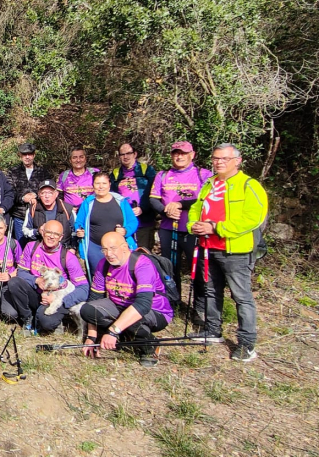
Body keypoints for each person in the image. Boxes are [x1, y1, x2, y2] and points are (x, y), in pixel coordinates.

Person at [187, 144, 268, 362]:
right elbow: (196, 207)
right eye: (215, 158)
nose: (219, 162)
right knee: (211, 290)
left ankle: (247, 343)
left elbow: (253, 218)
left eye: (224, 158)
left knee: (242, 297)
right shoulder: (210, 183)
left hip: (236, 250)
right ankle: (213, 331)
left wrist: (216, 227)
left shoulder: (248, 185)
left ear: (237, 160)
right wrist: (194, 224)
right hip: (208, 247)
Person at [79, 231, 173, 367]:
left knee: (132, 321)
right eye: (104, 249)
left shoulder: (142, 265)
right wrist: (92, 337)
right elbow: (94, 300)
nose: (108, 254)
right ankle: (125, 336)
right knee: (87, 310)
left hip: (154, 311)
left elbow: (143, 304)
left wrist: (113, 331)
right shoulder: (103, 265)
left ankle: (150, 347)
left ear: (125, 247)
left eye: (113, 248)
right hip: (120, 305)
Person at [149, 141, 212, 307]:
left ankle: (200, 307)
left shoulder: (203, 175)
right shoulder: (162, 175)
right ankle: (172, 302)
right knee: (170, 268)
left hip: (194, 230)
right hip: (169, 229)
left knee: (198, 269)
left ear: (192, 155)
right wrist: (166, 211)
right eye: (176, 153)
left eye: (183, 153)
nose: (179, 156)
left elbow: (206, 199)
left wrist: (180, 204)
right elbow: (153, 199)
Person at [11, 220, 89, 334]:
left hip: (55, 297)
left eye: (56, 234)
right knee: (14, 283)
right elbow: (21, 271)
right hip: (36, 291)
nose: (52, 237)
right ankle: (28, 318)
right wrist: (36, 280)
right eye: (49, 232)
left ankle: (57, 321)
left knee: (46, 322)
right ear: (42, 232)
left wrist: (61, 300)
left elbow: (83, 288)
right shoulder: (31, 247)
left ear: (61, 237)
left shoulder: (68, 257)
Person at [74, 172, 138, 278]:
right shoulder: (88, 203)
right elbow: (79, 222)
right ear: (93, 185)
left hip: (118, 247)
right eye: (97, 183)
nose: (101, 186)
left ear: (109, 184)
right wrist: (79, 230)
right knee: (98, 276)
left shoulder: (121, 201)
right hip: (95, 247)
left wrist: (125, 231)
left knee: (121, 275)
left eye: (104, 183)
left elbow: (133, 222)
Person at [110, 143, 157, 250]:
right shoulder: (116, 173)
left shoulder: (146, 170)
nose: (125, 157)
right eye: (122, 154)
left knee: (144, 253)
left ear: (135, 154)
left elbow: (153, 192)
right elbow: (112, 195)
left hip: (144, 221)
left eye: (128, 153)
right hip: (125, 222)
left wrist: (143, 208)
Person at [8, 143, 54, 241]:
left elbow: (49, 191)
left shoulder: (43, 172)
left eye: (30, 154)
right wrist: (22, 198)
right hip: (19, 215)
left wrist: (36, 196)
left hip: (37, 216)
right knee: (20, 247)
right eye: (25, 154)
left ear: (34, 155)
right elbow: (9, 192)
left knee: (37, 246)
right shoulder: (13, 171)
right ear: (20, 155)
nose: (27, 157)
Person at [22, 180, 75, 250]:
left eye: (50, 193)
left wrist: (73, 248)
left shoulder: (67, 209)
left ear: (56, 194)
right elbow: (25, 230)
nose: (46, 196)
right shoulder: (33, 209)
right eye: (43, 193)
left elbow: (75, 231)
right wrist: (37, 231)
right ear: (39, 194)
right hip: (40, 249)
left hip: (63, 249)